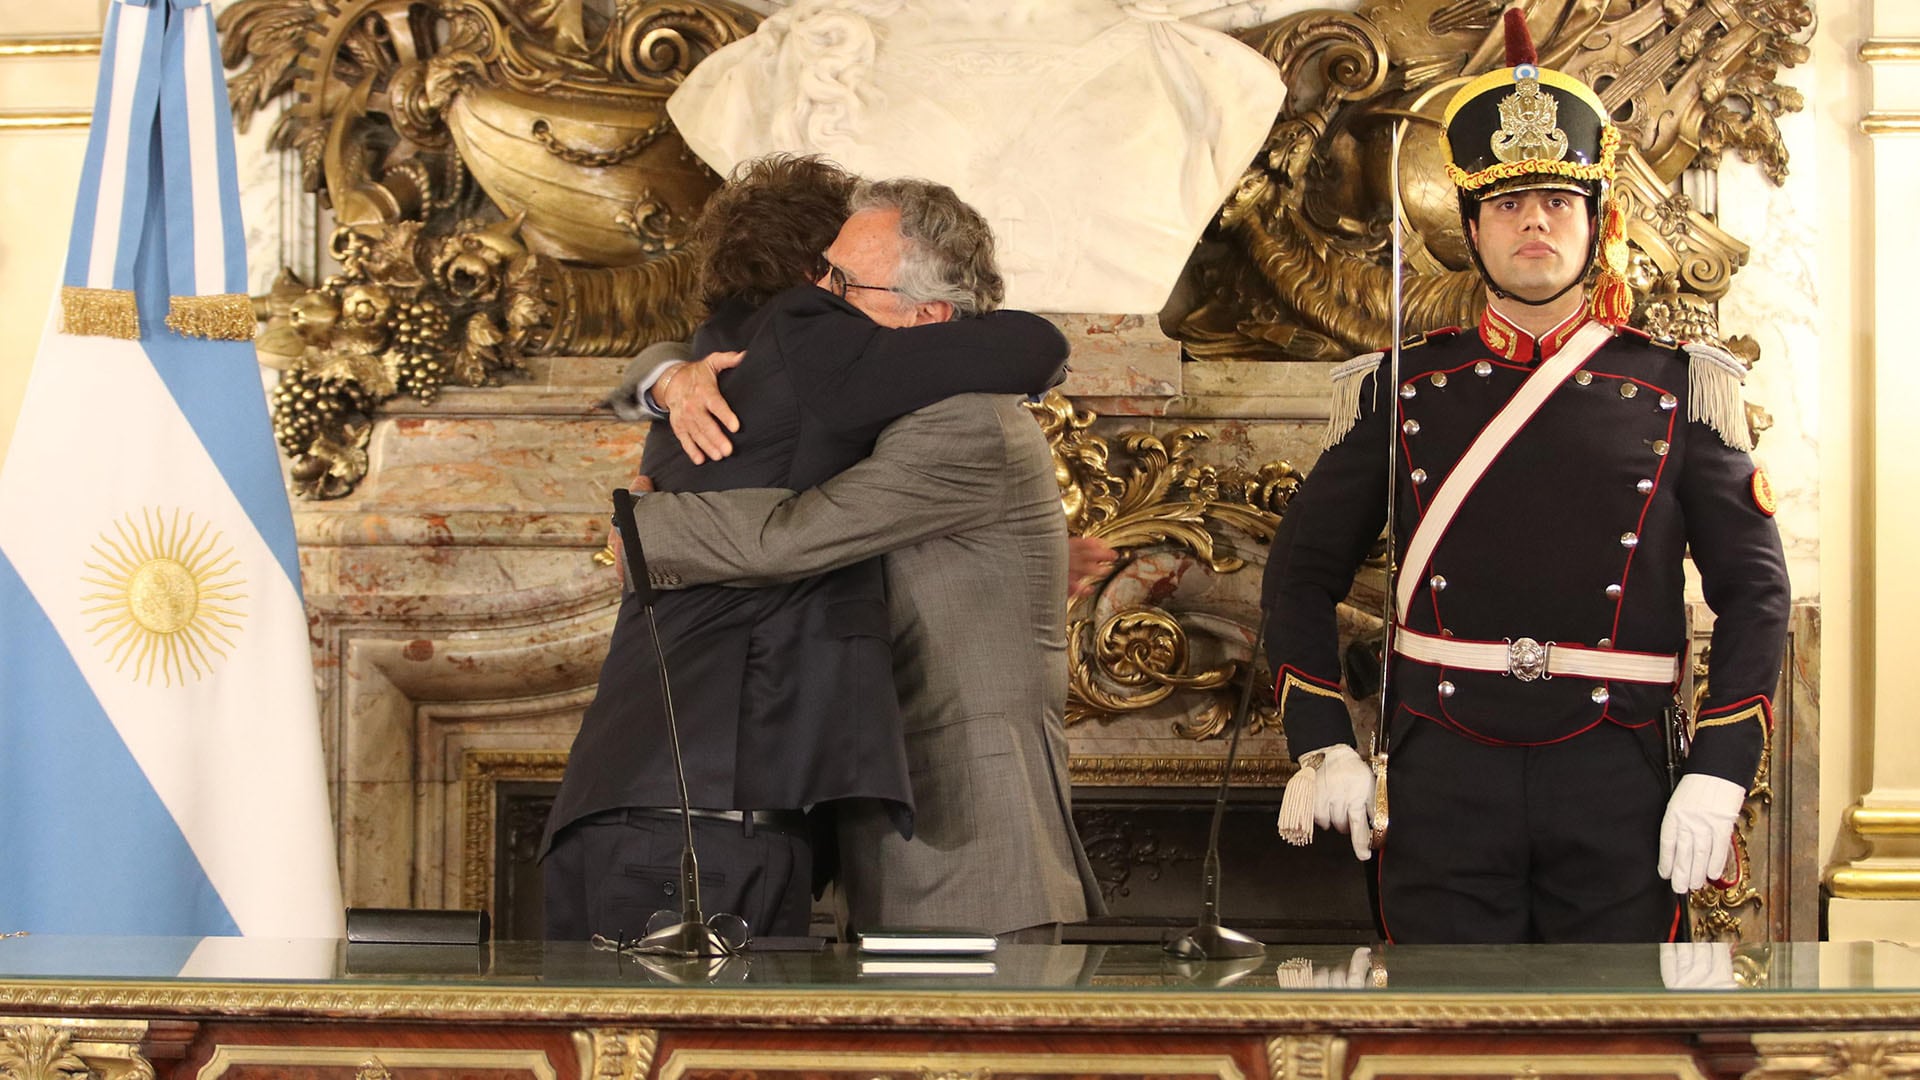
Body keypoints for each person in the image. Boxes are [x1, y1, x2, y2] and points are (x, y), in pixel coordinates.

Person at [1259, 10, 1788, 944]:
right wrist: (1323, 741)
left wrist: (1720, 763)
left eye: (1556, 201)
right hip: (1442, 776)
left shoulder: (1682, 385)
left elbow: (1756, 596)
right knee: (1439, 1033)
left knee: (1612, 1037)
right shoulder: (1400, 385)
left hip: (1617, 774)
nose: (1533, 221)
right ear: (1471, 228)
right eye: (1507, 204)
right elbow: (1299, 575)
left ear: (1595, 222)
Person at [539, 158, 1071, 943]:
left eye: (840, 284)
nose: (816, 305)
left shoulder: (954, 419)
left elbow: (798, 535)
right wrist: (664, 379)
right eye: (816, 277)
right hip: (734, 814)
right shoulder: (774, 382)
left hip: (966, 837)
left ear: (926, 314)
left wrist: (644, 529)